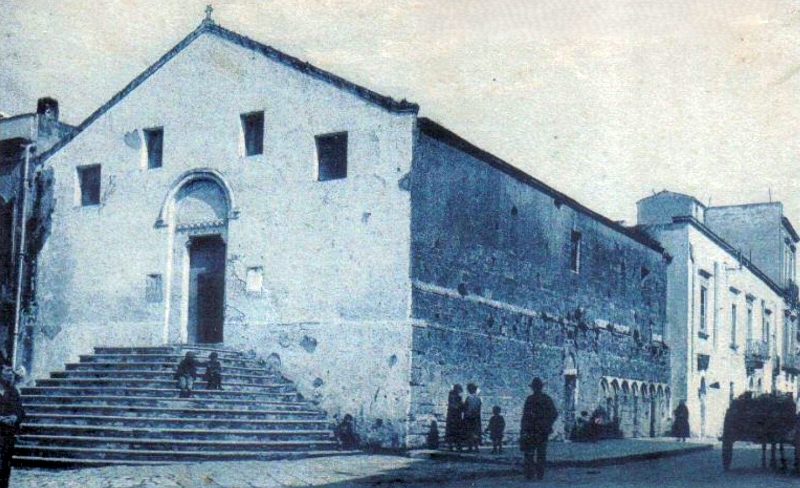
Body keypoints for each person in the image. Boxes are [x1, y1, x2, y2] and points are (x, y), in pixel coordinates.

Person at [520, 377, 558, 481]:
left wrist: (523, 429)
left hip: (532, 429)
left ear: (533, 388)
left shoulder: (530, 399)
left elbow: (525, 416)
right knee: (541, 452)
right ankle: (539, 473)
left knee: (529, 452)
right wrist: (547, 424)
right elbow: (554, 414)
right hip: (542, 430)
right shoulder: (546, 399)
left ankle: (529, 474)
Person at [0, 364, 24, 488]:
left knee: (5, 467)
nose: (10, 374)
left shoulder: (13, 391)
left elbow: (21, 411)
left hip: (7, 434)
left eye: (11, 371)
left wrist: (15, 417)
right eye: (7, 371)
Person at [463, 383, 482, 452]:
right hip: (476, 417)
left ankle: (470, 447)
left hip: (469, 417)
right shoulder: (478, 398)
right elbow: (479, 408)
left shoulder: (468, 398)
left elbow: (465, 407)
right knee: (475, 432)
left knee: (469, 432)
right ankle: (476, 447)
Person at [445, 384, 464, 451]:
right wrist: (462, 406)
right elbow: (457, 406)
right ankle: (457, 445)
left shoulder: (451, 396)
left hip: (452, 416)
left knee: (452, 431)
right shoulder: (456, 397)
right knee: (456, 431)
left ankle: (452, 445)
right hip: (455, 416)